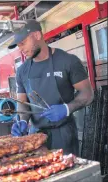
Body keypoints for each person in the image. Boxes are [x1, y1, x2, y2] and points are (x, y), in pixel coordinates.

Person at [8, 19, 94, 155]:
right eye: (18, 45)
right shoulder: (22, 71)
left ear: (37, 35)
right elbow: (23, 103)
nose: (21, 49)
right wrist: (22, 120)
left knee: (67, 174)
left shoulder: (68, 61)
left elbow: (88, 94)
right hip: (35, 136)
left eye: (23, 43)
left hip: (64, 135)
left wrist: (66, 109)